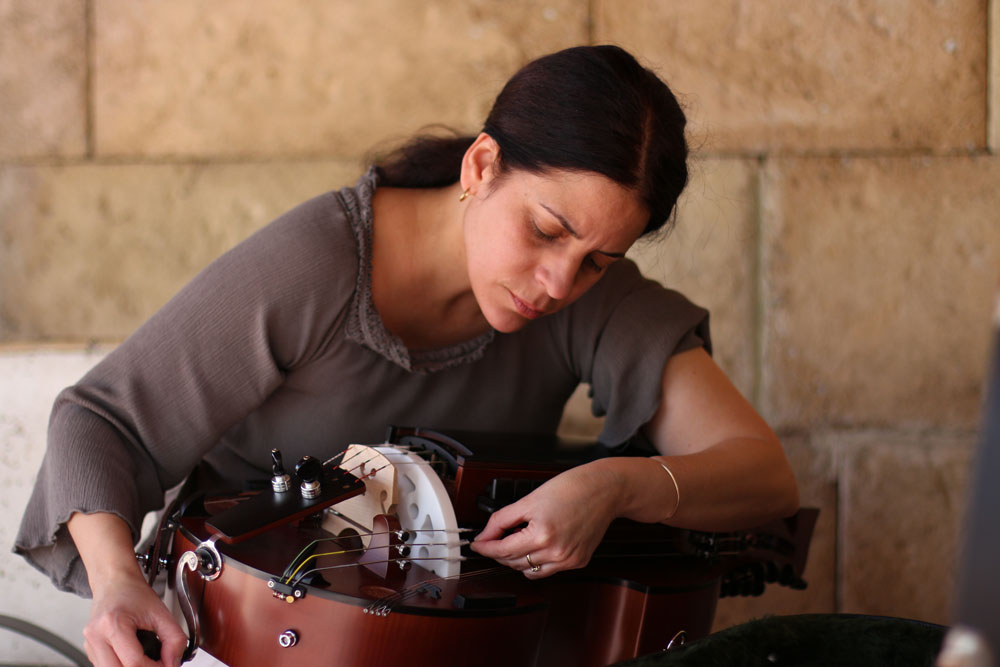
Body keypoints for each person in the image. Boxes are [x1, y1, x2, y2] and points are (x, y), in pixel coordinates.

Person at [14, 45, 798, 667]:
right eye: (547, 230)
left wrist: (615, 485)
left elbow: (762, 472)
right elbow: (98, 420)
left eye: (598, 257)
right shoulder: (319, 262)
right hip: (235, 635)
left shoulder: (593, 295)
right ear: (481, 166)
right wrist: (118, 584)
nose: (560, 281)